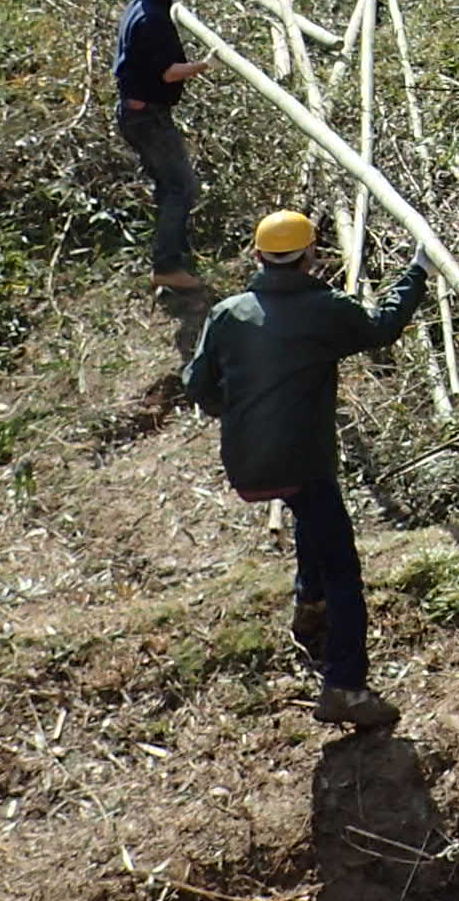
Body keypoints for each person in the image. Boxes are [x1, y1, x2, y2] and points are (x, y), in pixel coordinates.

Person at [183, 212, 436, 731]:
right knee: (344, 565)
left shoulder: (229, 314)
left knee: (310, 513)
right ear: (312, 256)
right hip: (303, 458)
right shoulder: (324, 309)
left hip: (248, 464)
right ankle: (345, 685)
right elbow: (382, 328)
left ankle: (308, 603)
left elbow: (197, 386)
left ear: (257, 257)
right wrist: (417, 272)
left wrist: (242, 412)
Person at [115, 0, 212, 293]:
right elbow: (169, 73)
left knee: (168, 186)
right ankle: (167, 266)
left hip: (139, 114)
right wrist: (207, 64)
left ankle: (173, 250)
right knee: (182, 187)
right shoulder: (152, 18)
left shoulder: (145, 7)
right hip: (148, 118)